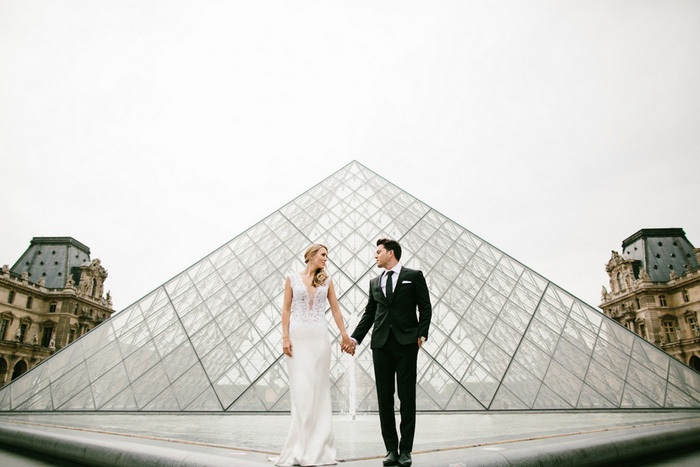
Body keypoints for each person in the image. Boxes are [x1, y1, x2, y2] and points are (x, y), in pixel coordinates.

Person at [343, 239, 432, 467]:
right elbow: (369, 314)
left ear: (390, 253)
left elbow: (425, 306)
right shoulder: (374, 282)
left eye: (378, 252)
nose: (375, 256)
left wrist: (421, 335)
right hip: (380, 345)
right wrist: (355, 338)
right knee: (384, 399)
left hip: (406, 344)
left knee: (406, 397)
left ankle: (406, 451)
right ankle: (391, 450)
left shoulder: (414, 275)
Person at [276, 244, 354, 467]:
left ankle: (318, 447)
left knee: (319, 393)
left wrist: (345, 335)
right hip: (298, 339)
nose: (326, 260)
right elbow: (286, 309)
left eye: (326, 256)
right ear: (310, 256)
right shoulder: (291, 278)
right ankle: (300, 446)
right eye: (323, 255)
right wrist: (285, 338)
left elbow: (336, 309)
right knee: (301, 392)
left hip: (320, 340)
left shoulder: (327, 281)